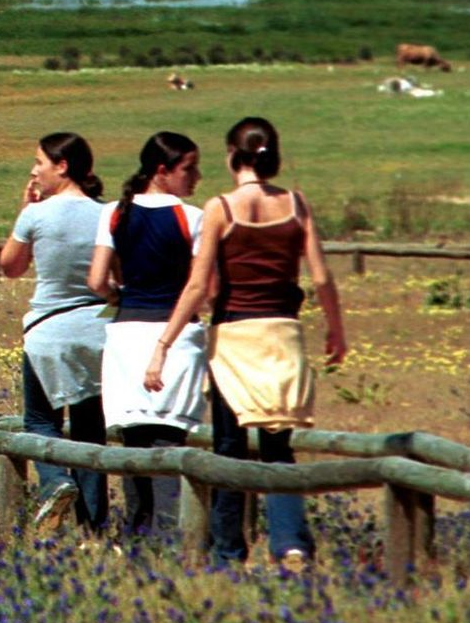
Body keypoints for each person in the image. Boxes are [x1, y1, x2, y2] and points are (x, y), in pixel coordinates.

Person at [145, 117, 347, 571]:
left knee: (230, 447)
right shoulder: (297, 205)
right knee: (279, 445)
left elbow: (198, 287)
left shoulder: (222, 208)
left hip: (235, 333)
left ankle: (228, 551)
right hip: (284, 332)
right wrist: (336, 329)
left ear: (231, 156)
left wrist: (164, 342)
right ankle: (291, 543)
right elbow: (320, 276)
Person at [88, 131, 207, 535]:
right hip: (173, 334)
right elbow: (198, 287)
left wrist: (120, 295)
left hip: (125, 333)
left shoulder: (114, 213)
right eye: (189, 169)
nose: (197, 177)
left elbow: (96, 280)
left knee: (134, 439)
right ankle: (172, 533)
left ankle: (138, 532)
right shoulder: (191, 217)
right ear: (163, 171)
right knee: (170, 440)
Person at [0, 132, 109, 531]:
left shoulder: (37, 214)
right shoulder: (106, 213)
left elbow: (10, 266)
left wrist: (24, 209)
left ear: (62, 167)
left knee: (41, 421)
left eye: (39, 162)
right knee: (90, 429)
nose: (34, 170)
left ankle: (55, 481)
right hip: (98, 331)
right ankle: (93, 523)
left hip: (49, 331)